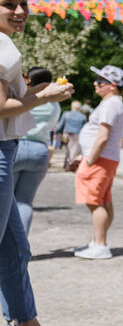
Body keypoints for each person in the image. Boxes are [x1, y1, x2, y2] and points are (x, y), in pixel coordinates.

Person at [0, 0, 84, 326]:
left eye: (22, 4)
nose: (19, 11)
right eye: (8, 5)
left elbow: (11, 102)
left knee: (15, 250)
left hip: (10, 149)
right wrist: (44, 96)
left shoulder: (7, 44)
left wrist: (40, 95)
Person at [74, 64, 123, 260]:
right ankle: (98, 240)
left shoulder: (111, 103)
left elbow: (103, 136)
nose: (95, 84)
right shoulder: (113, 103)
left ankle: (100, 244)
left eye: (100, 81)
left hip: (99, 159)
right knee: (103, 200)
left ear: (112, 85)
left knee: (94, 202)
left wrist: (90, 160)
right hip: (104, 158)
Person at [13, 66, 59, 233]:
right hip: (39, 149)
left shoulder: (25, 98)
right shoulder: (54, 102)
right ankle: (21, 242)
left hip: (17, 145)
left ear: (30, 80)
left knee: (5, 201)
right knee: (25, 201)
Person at [60, 100, 86, 169]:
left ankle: (67, 165)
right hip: (77, 134)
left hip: (67, 134)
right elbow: (84, 127)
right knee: (74, 150)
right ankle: (71, 165)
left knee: (68, 149)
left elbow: (60, 125)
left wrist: (57, 132)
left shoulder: (66, 114)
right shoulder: (83, 116)